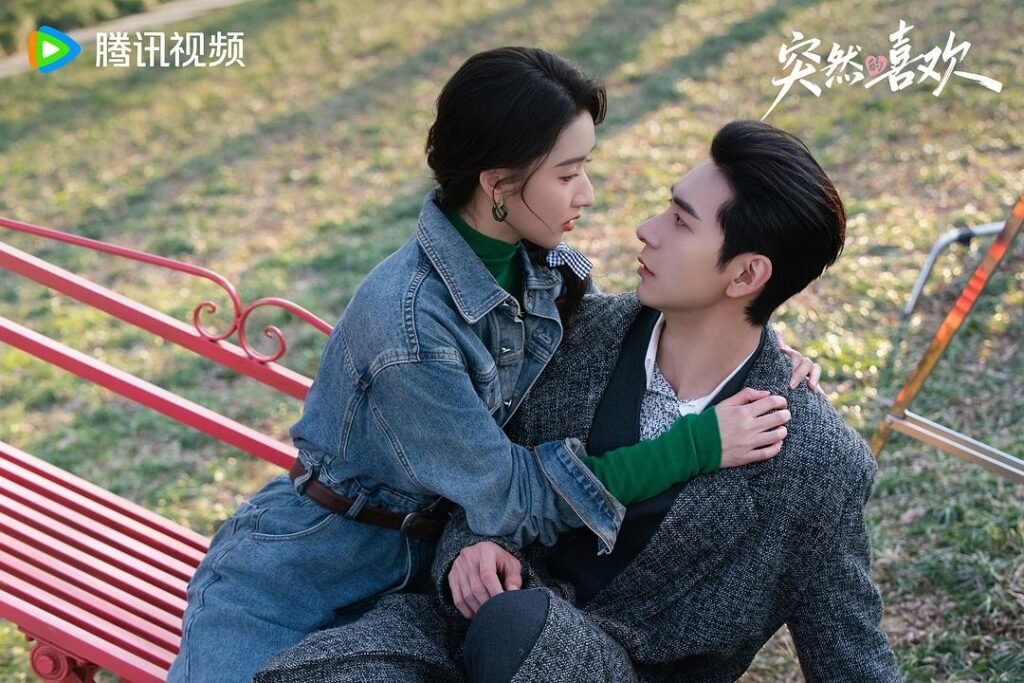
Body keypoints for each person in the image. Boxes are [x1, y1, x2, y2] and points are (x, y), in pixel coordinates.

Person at [168, 50, 813, 682]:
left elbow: (624, 328)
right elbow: (512, 498)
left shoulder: (547, 266)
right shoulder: (410, 328)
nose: (587, 194)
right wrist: (694, 447)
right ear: (499, 184)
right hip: (305, 573)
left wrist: (750, 337)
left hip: (432, 578)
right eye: (568, 174)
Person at [253, 120, 903, 683]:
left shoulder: (816, 462)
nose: (646, 230)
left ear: (747, 274)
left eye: (680, 221)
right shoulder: (572, 331)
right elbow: (484, 474)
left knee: (521, 629)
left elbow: (848, 653)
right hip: (459, 634)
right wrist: (472, 546)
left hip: (602, 667)